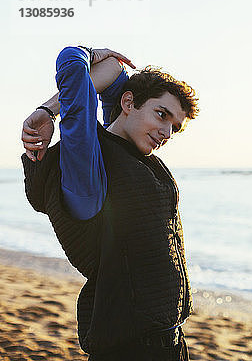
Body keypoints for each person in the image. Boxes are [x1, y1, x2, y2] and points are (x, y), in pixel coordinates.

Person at [21, 46, 199, 360]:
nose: (167, 132)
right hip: (130, 349)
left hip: (169, 342)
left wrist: (111, 68)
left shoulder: (132, 154)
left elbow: (116, 74)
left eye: (175, 126)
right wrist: (85, 53)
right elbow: (76, 68)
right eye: (162, 114)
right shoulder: (88, 163)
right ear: (128, 104)